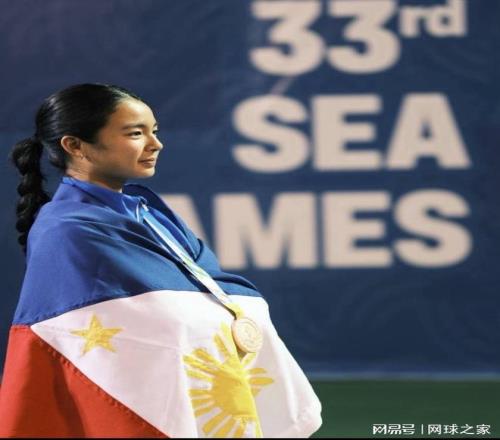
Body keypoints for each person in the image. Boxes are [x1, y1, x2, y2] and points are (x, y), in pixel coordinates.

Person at [0, 83, 322, 438]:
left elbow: (214, 285)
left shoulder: (150, 212)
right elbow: (141, 327)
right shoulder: (66, 230)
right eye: (135, 133)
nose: (155, 144)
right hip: (138, 406)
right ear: (75, 146)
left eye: (154, 131)